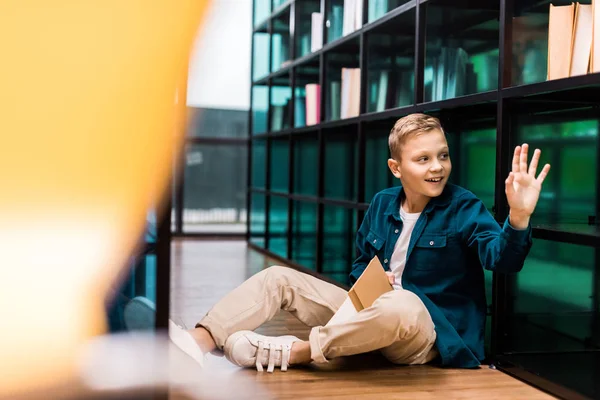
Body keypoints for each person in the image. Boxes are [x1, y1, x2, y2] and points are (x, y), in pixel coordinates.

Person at [169, 113, 551, 372]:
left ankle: (298, 352)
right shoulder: (384, 203)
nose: (437, 167)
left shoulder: (463, 205)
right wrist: (372, 279)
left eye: (443, 156)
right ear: (396, 168)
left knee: (402, 302)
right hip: (369, 311)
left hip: (425, 332)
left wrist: (518, 217)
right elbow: (359, 266)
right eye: (423, 159)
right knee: (278, 279)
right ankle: (197, 342)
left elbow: (502, 259)